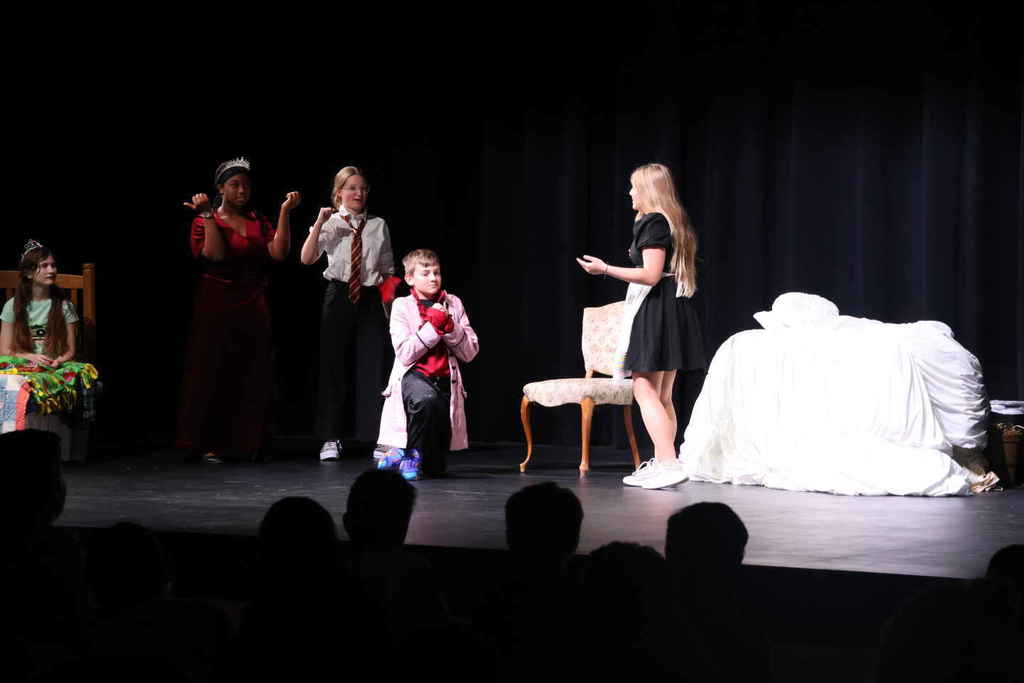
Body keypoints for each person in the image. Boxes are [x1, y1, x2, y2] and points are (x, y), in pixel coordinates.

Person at [577, 162, 705, 489]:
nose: (630, 192)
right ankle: (667, 462)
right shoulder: (669, 222)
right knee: (662, 395)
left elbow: (650, 275)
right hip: (671, 307)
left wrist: (605, 268)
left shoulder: (654, 223)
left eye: (634, 187)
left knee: (644, 388)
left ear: (648, 190)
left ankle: (668, 462)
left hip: (658, 309)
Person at [177, 157, 298, 463]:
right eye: (235, 185)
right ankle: (210, 442)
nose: (242, 190)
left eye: (246, 185)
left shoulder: (258, 220)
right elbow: (215, 254)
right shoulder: (205, 219)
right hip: (217, 302)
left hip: (253, 300)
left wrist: (284, 212)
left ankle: (248, 442)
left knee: (253, 370)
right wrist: (207, 216)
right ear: (221, 188)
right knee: (215, 369)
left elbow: (279, 253)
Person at [299, 166, 400, 462]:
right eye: (353, 188)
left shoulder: (378, 224)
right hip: (340, 294)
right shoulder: (330, 222)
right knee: (334, 365)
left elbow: (387, 270)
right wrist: (319, 222)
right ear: (339, 192)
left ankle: (378, 437)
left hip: (370, 298)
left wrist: (390, 307)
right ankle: (332, 437)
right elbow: (307, 258)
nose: (359, 193)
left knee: (372, 365)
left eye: (364, 188)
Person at [376, 249, 479, 480]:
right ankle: (409, 456)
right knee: (425, 399)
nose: (433, 278)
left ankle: (399, 454)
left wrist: (450, 327)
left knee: (436, 470)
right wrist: (433, 327)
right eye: (426, 273)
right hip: (414, 377)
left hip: (445, 382)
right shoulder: (402, 306)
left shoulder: (453, 303)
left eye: (437, 272)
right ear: (410, 278)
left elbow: (470, 352)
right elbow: (405, 353)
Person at [1, 241, 98, 427]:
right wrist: (30, 357)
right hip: (22, 365)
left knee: (71, 374)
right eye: (44, 266)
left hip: (53, 365)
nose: (51, 270)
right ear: (29, 273)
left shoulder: (63, 306)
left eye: (53, 265)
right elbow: (4, 350)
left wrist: (59, 361)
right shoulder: (12, 306)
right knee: (9, 380)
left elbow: (71, 350)